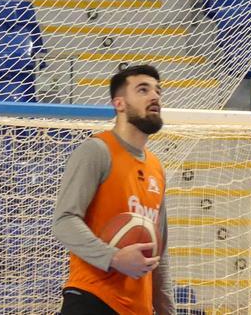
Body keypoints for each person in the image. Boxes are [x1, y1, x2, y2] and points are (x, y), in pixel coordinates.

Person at [53, 64, 174, 315]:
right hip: (92, 298)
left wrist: (166, 310)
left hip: (138, 308)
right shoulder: (97, 150)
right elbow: (64, 221)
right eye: (143, 89)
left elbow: (159, 254)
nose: (154, 97)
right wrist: (114, 257)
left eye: (158, 91)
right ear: (119, 103)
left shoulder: (156, 168)